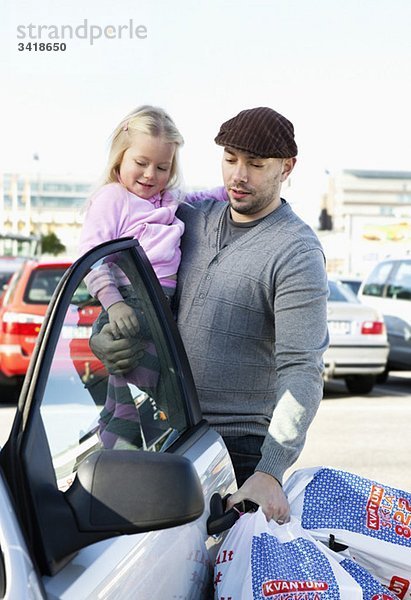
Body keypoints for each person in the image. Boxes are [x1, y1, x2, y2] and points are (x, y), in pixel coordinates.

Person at [90, 106, 329, 523]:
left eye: (256, 164)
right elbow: (132, 290)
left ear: (287, 167)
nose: (239, 176)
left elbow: (302, 370)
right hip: (166, 429)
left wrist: (270, 470)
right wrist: (103, 338)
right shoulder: (187, 220)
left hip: (237, 450)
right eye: (231, 159)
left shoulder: (297, 252)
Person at [79, 105, 226, 449]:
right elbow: (92, 258)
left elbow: (201, 197)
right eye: (141, 163)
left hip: (160, 306)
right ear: (120, 158)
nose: (150, 175)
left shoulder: (167, 199)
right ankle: (131, 440)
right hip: (131, 301)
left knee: (134, 386)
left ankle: (122, 436)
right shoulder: (113, 198)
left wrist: (228, 191)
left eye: (162, 167)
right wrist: (114, 306)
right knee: (157, 386)